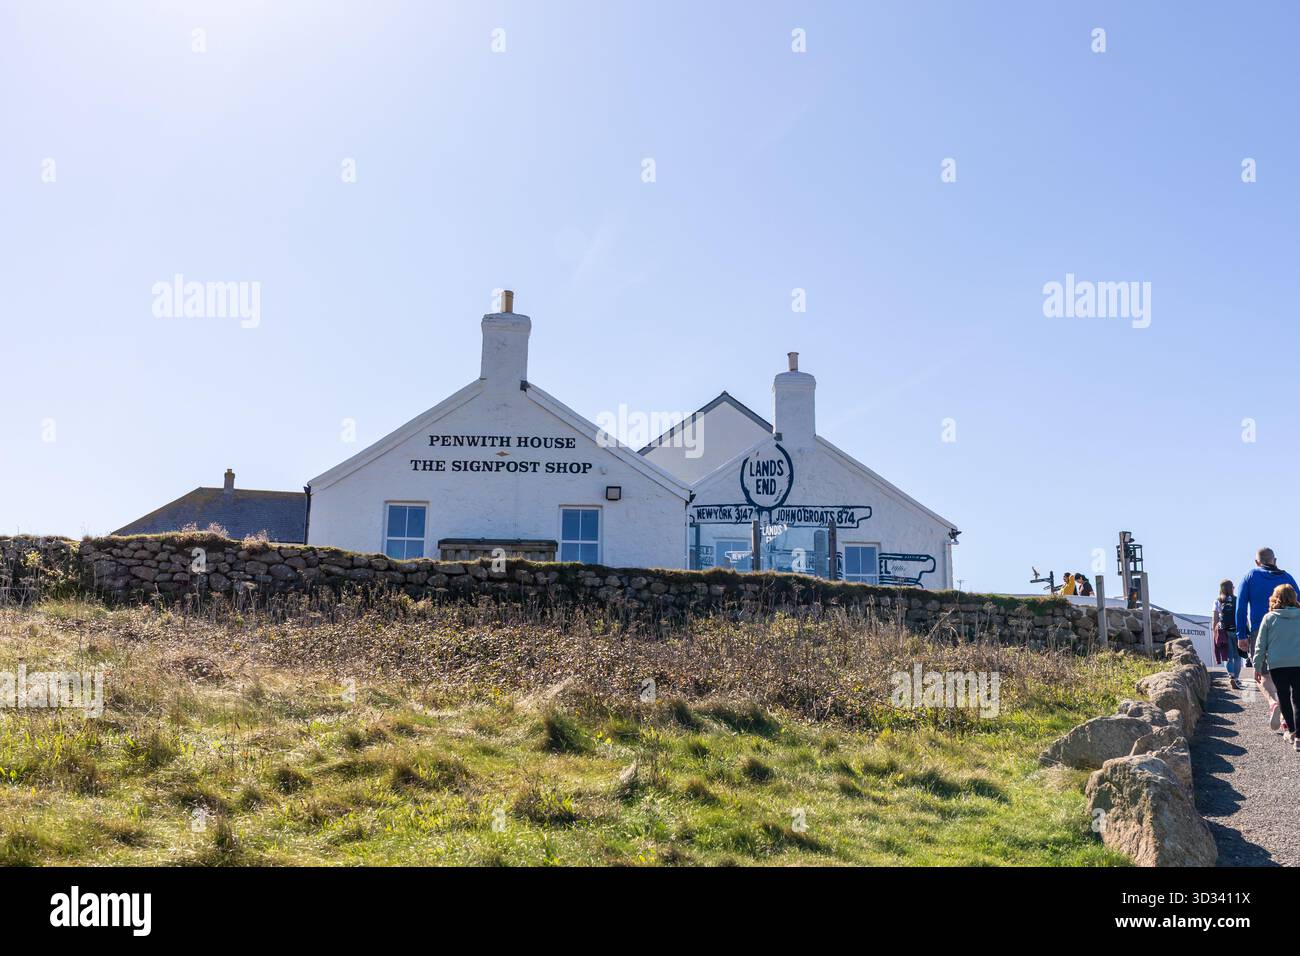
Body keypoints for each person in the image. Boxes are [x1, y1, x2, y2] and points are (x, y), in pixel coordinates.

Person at [1253, 583, 1300, 751]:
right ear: (1294, 598)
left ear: (1276, 598)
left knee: (1284, 698)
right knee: (1298, 699)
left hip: (1277, 665)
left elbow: (1260, 645)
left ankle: (1292, 732)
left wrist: (1257, 667)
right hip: (1298, 664)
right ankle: (1299, 738)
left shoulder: (1269, 618)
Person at [1237, 548, 1299, 665]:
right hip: (1288, 631)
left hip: (1259, 630)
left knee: (1264, 674)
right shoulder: (1287, 578)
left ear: (1257, 562)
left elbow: (1241, 608)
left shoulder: (1249, 577)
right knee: (1287, 672)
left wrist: (1241, 635)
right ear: (1275, 560)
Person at [1213, 579, 1241, 689]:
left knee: (1228, 656)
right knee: (1237, 657)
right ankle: (1237, 679)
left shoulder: (1218, 601)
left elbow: (1215, 618)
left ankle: (1231, 676)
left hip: (1224, 631)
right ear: (1232, 588)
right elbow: (1241, 615)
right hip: (1237, 630)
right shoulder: (1237, 600)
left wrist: (1214, 631)